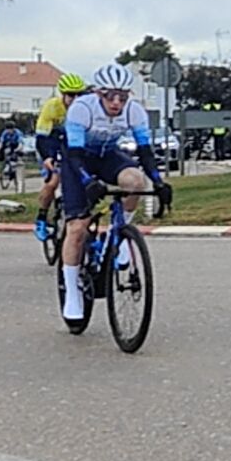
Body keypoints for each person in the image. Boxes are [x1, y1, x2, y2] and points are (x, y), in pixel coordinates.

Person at [58, 63, 172, 323]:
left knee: (135, 180)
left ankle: (120, 234)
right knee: (77, 227)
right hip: (79, 159)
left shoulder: (134, 111)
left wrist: (159, 182)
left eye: (123, 96)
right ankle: (73, 292)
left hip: (108, 155)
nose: (117, 102)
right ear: (98, 94)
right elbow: (74, 154)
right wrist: (88, 181)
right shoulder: (81, 108)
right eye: (111, 96)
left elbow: (144, 152)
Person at [33, 73, 86, 240]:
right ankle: (41, 218)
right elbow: (42, 137)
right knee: (53, 181)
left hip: (72, 144)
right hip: (52, 143)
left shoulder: (85, 108)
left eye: (80, 95)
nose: (76, 98)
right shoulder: (52, 107)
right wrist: (48, 157)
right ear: (62, 94)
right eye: (71, 95)